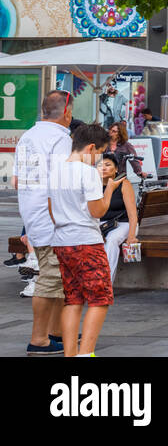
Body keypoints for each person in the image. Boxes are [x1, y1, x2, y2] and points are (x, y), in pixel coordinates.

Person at [49, 123, 120, 357]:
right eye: (99, 154)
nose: (98, 161)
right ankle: (86, 352)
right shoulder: (87, 173)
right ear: (90, 148)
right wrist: (108, 191)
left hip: (62, 241)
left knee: (73, 298)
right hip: (87, 241)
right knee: (100, 298)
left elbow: (51, 209)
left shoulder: (56, 170)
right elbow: (97, 211)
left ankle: (70, 353)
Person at [14, 89, 75, 356]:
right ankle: (39, 339)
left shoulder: (27, 136)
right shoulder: (60, 139)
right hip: (53, 218)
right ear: (66, 112)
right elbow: (64, 182)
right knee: (50, 279)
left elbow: (17, 180)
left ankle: (56, 332)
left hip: (33, 214)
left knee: (59, 277)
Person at [97, 152, 139, 282]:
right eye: (100, 165)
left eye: (107, 165)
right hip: (101, 224)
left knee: (112, 240)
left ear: (116, 169)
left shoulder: (123, 184)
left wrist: (131, 236)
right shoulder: (93, 184)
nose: (103, 168)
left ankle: (105, 283)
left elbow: (133, 215)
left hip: (123, 223)